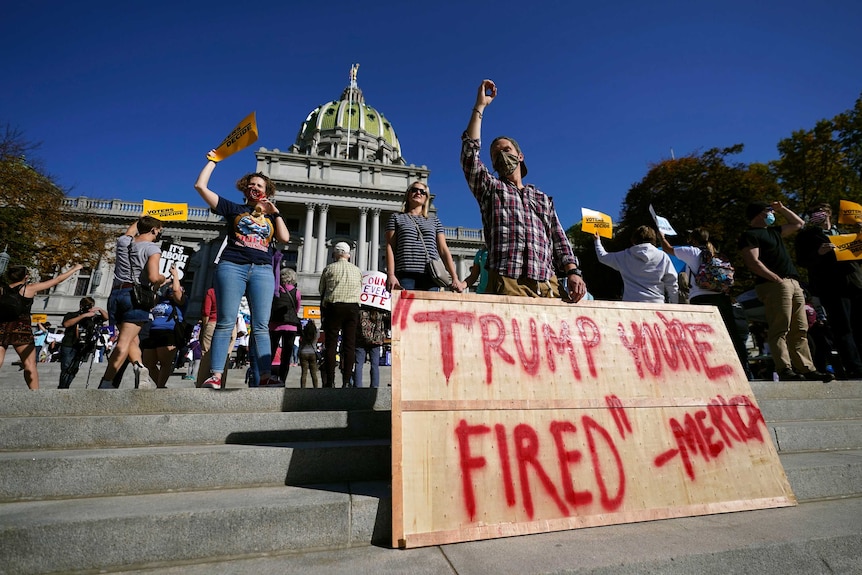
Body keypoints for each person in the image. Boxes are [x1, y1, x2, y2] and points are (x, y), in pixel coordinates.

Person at [461, 79, 586, 302]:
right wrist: (480, 107)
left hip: (547, 283)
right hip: (507, 282)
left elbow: (559, 239)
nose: (501, 155)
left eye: (506, 149)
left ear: (520, 155)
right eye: (495, 154)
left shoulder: (542, 199)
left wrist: (573, 272)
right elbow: (470, 155)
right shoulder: (491, 189)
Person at [194, 152, 290, 389]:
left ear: (267, 191)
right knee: (225, 322)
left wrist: (274, 212)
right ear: (244, 189)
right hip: (232, 266)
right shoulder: (233, 208)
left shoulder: (271, 217)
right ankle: (216, 375)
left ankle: (266, 375)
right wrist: (213, 161)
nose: (254, 188)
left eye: (259, 185)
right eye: (251, 185)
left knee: (261, 325)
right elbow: (200, 186)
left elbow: (285, 238)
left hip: (262, 270)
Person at [738, 201, 833, 382]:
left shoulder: (774, 232)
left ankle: (806, 368)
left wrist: (782, 208)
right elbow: (753, 261)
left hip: (793, 282)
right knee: (780, 328)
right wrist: (775, 278)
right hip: (775, 284)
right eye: (769, 211)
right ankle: (785, 368)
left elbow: (798, 224)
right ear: (759, 214)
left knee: (800, 329)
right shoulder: (750, 235)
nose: (772, 214)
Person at [660, 228, 753, 379]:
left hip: (701, 298)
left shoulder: (692, 252)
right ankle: (745, 371)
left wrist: (662, 236)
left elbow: (667, 249)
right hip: (722, 297)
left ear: (693, 240)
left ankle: (711, 373)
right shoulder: (717, 254)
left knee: (704, 337)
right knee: (731, 335)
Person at [97, 217, 166, 390]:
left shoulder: (123, 242)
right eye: (159, 230)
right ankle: (107, 382)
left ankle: (139, 367)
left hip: (116, 294)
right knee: (124, 341)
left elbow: (130, 231)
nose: (159, 233)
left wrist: (143, 218)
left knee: (132, 339)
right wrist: (162, 278)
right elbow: (152, 277)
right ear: (154, 230)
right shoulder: (152, 249)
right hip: (136, 296)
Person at [795, 204, 862, 379]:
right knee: (843, 328)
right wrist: (818, 253)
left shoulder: (845, 233)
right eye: (813, 212)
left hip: (855, 284)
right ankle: (854, 366)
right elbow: (802, 261)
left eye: (821, 211)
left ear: (829, 213)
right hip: (832, 287)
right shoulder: (806, 236)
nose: (818, 214)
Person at [0, 264, 84, 389]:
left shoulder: (2, 290)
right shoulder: (29, 288)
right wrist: (74, 269)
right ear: (26, 277)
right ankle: (35, 394)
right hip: (21, 328)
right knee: (29, 364)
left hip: (2, 327)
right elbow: (57, 280)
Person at [385, 181, 466, 293]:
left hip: (431, 275)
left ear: (426, 198)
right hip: (405, 274)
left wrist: (455, 277)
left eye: (422, 192)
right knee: (407, 309)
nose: (418, 193)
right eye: (414, 190)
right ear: (408, 194)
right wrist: (391, 274)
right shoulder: (396, 218)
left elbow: (443, 250)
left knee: (429, 309)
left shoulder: (434, 221)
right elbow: (390, 247)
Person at [595, 226, 679, 304]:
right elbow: (672, 283)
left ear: (634, 239)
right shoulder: (662, 256)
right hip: (656, 303)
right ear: (654, 239)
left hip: (631, 303)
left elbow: (602, 257)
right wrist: (675, 304)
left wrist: (597, 241)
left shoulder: (625, 255)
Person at [319, 242, 362, 387]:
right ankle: (346, 381)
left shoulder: (329, 268)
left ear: (336, 254)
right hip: (353, 308)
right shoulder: (357, 270)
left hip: (334, 306)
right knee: (350, 345)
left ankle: (330, 380)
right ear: (348, 255)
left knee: (331, 345)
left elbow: (321, 290)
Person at [141, 263, 186, 388]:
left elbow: (177, 291)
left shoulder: (181, 301)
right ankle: (161, 386)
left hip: (169, 332)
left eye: (174, 289)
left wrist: (175, 275)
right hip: (153, 331)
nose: (172, 290)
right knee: (148, 362)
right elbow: (152, 294)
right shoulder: (161, 300)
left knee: (165, 362)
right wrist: (161, 282)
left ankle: (160, 386)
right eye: (169, 289)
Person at [58, 297, 109, 389]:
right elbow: (66, 324)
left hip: (83, 346)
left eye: (91, 306)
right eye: (87, 306)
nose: (89, 308)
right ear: (81, 305)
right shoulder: (72, 314)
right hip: (70, 344)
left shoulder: (93, 318)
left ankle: (67, 386)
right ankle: (62, 387)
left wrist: (100, 309)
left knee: (75, 368)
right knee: (66, 367)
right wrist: (83, 316)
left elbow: (106, 317)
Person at [195, 287, 238, 388]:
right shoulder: (234, 290)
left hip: (214, 323)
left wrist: (205, 327)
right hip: (231, 326)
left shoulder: (212, 291)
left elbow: (206, 311)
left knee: (206, 355)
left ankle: (202, 383)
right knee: (226, 356)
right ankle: (221, 383)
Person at [269, 267, 301, 383]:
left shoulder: (274, 290)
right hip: (290, 326)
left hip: (274, 325)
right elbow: (296, 308)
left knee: (271, 352)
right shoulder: (296, 292)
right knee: (286, 355)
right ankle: (282, 379)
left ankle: (268, 376)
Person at [354, 306, 386, 388]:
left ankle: (358, 386)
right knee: (375, 365)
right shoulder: (379, 313)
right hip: (376, 341)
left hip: (360, 341)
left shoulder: (360, 312)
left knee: (359, 364)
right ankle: (374, 386)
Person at [298, 320, 320, 388]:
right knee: (314, 373)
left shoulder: (304, 333)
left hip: (303, 352)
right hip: (312, 353)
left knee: (304, 373)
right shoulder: (316, 333)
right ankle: (315, 387)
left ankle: (303, 387)